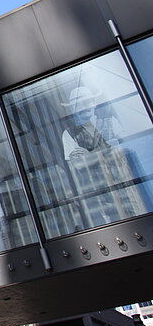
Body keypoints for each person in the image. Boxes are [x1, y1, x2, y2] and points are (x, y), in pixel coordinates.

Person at [61, 86, 145, 225]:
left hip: (125, 183)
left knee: (138, 219)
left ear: (94, 103)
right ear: (73, 109)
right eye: (79, 104)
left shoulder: (111, 122)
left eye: (88, 102)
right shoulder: (69, 134)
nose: (84, 107)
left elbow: (127, 148)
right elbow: (78, 164)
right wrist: (107, 148)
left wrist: (89, 155)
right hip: (98, 192)